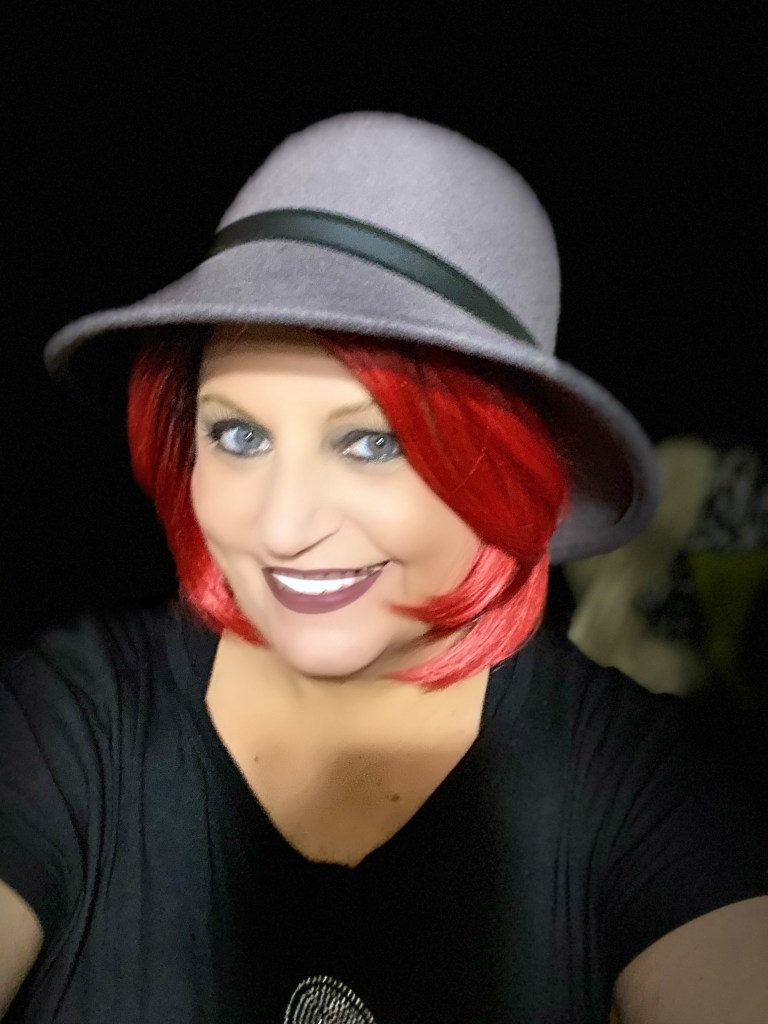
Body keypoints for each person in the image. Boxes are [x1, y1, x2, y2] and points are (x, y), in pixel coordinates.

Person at [1, 111, 766, 1024]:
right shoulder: (67, 720)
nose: (284, 526)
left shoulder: (646, 790)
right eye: (238, 435)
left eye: (372, 443)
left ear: (504, 472)